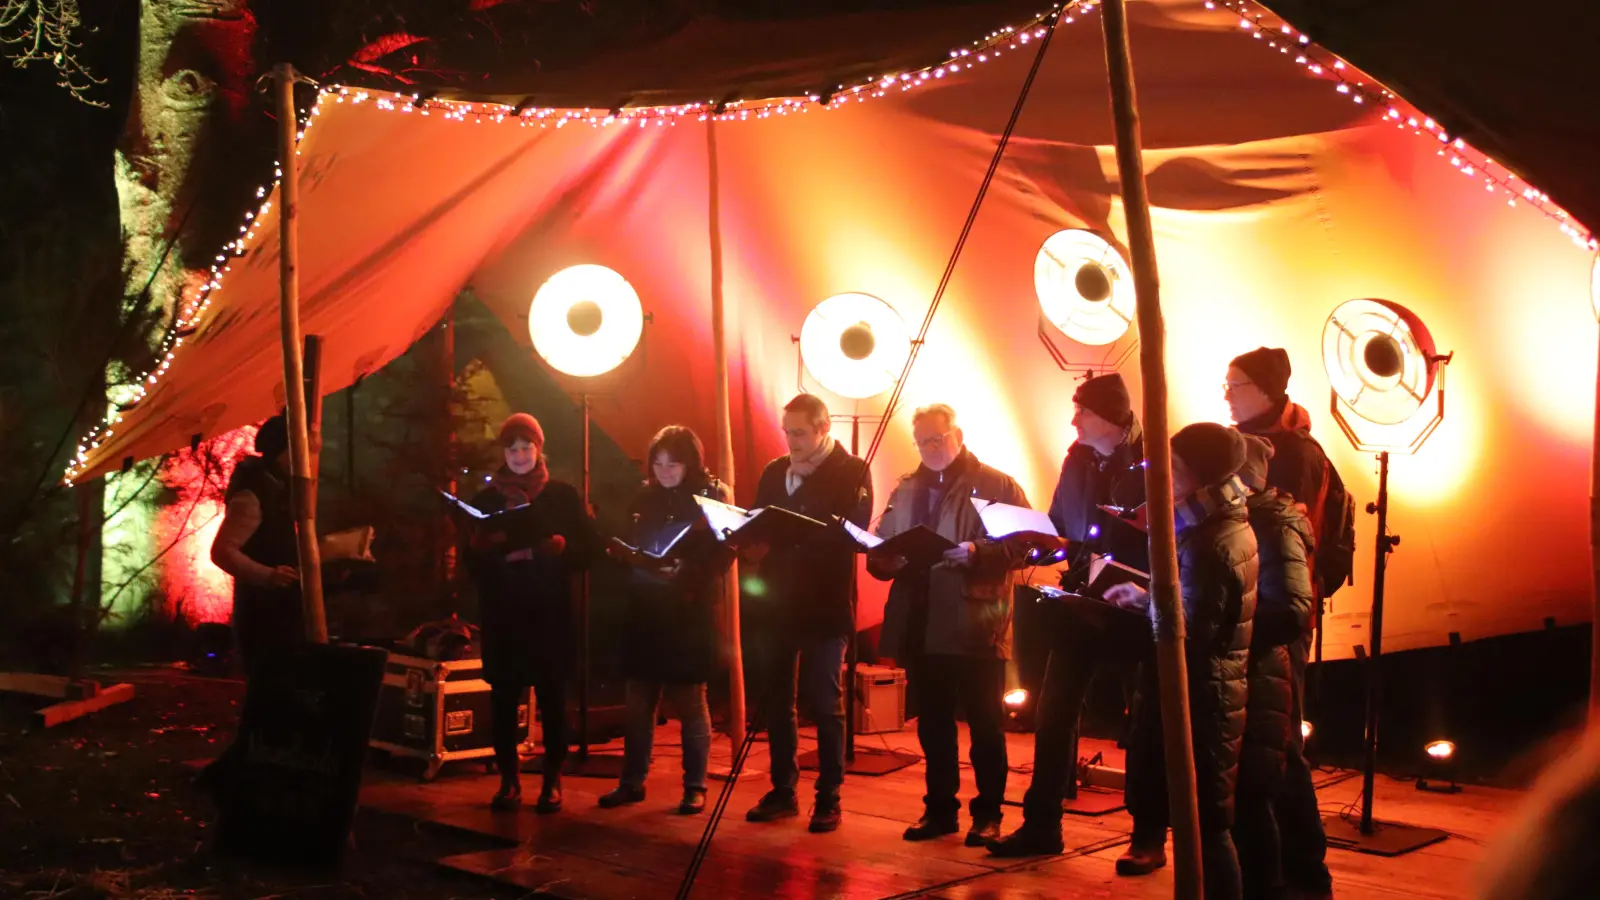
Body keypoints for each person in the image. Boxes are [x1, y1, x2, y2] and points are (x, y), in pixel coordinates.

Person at [991, 372, 1150, 858]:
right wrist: (1038, 545)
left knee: (1143, 723)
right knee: (1054, 710)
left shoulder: (1154, 462)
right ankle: (1042, 826)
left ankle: (1147, 838)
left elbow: (1166, 536)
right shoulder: (1076, 459)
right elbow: (1062, 525)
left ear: (1111, 418)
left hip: (1136, 608)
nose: (1074, 420)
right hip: (1082, 602)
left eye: (1083, 411)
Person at [1103, 422, 1256, 900]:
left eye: (1174, 466)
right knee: (1204, 819)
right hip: (1210, 687)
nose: (1163, 475)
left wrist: (1144, 605)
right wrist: (1150, 595)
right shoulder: (1218, 521)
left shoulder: (1211, 539)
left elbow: (1195, 629)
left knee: (1206, 824)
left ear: (1197, 474)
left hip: (1203, 693)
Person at [871, 403, 1030, 847]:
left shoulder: (995, 484)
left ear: (957, 434)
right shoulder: (906, 488)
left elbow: (1024, 545)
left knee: (984, 723)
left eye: (937, 439)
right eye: (922, 441)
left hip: (975, 620)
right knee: (933, 723)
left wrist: (979, 553)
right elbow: (882, 545)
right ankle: (939, 809)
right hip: (920, 620)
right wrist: (885, 560)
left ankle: (989, 814)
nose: (930, 448)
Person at [1227, 347, 1336, 900]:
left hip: (1278, 614)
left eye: (1236, 384)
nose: (1227, 394)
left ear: (1267, 390)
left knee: (1281, 746)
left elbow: (1283, 537)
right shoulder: (1258, 445)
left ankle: (1305, 873)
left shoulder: (1292, 454)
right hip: (1261, 607)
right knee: (1265, 746)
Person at [744, 393, 872, 834]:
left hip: (825, 601)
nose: (791, 440)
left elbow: (851, 531)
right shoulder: (774, 471)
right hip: (779, 601)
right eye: (787, 432)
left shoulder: (852, 470)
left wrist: (796, 529)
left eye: (798, 432)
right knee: (778, 701)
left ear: (822, 429)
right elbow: (761, 521)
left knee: (825, 700)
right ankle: (784, 790)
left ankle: (829, 797)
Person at [599, 426, 733, 816]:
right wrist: (629, 556)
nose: (664, 471)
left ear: (690, 463)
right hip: (645, 606)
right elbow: (629, 536)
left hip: (688, 610)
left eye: (672, 464)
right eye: (658, 463)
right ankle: (632, 782)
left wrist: (687, 571)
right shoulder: (644, 495)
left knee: (691, 700)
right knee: (638, 699)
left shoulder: (711, 497)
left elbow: (725, 554)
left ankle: (695, 786)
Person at [467, 412, 594, 814]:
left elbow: (589, 550)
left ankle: (552, 781)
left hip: (549, 613)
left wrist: (559, 547)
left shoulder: (561, 496)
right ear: (503, 452)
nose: (520, 455)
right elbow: (472, 560)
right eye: (512, 448)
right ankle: (508, 780)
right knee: (503, 697)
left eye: (526, 447)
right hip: (505, 613)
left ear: (539, 448)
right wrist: (490, 550)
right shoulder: (486, 500)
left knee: (553, 697)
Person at [1233, 435, 1316, 900]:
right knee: (1259, 777)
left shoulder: (1273, 524)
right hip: (1245, 661)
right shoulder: (1243, 520)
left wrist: (1226, 621)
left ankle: (1302, 875)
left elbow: (1289, 611)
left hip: (1263, 663)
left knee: (1278, 766)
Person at [211, 415, 305, 677]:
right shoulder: (253, 494)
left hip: (280, 614)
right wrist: (269, 576)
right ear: (283, 451)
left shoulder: (278, 489)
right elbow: (222, 551)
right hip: (263, 617)